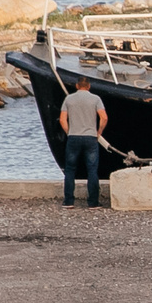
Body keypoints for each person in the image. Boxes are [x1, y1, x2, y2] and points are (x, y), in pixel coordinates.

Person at [58, 77, 108, 207]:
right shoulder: (96, 99)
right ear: (89, 86)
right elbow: (104, 117)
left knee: (70, 169)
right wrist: (99, 132)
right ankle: (93, 202)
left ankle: (69, 201)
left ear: (76, 85)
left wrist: (69, 132)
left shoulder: (68, 99)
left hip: (74, 136)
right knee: (92, 170)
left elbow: (63, 119)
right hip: (91, 137)